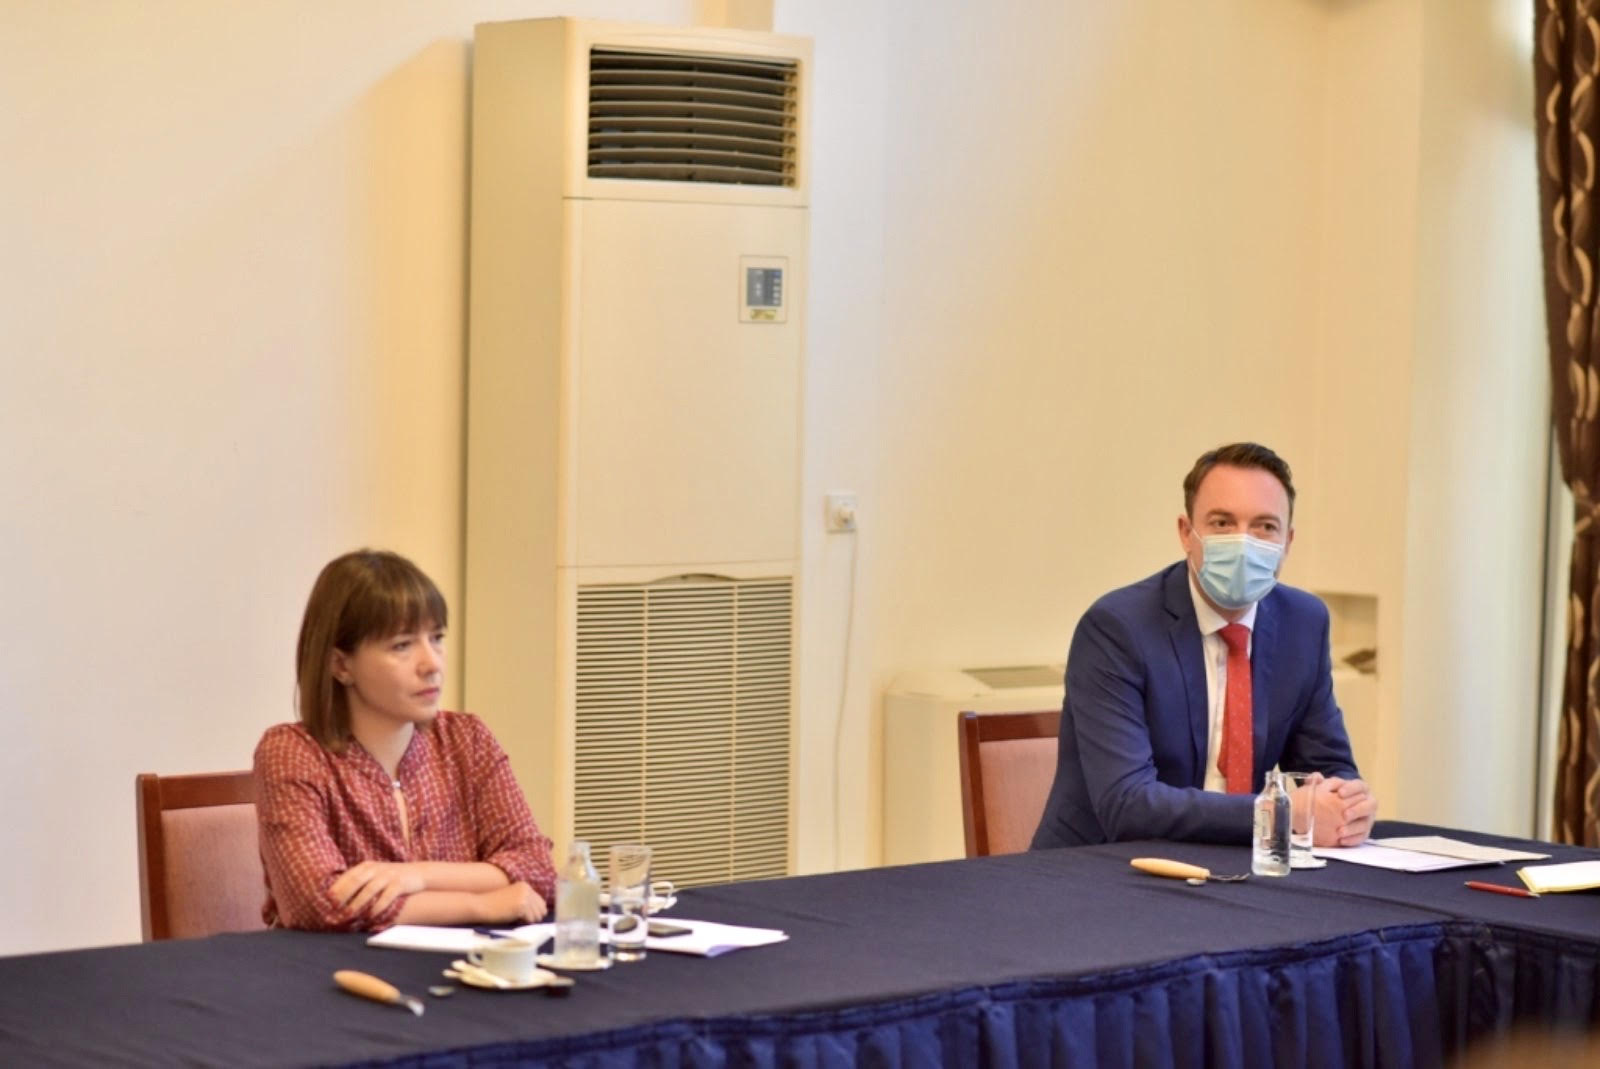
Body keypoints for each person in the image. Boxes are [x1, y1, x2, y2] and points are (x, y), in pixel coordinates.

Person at [1031, 443, 1378, 850]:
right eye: (1222, 523)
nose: (1243, 542)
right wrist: (1276, 813)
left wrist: (1348, 806)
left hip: (1238, 865)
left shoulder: (1303, 623)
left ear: (1287, 542)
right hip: (1103, 867)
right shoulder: (1118, 628)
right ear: (1186, 533)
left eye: (1265, 526)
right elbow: (1127, 804)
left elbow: (1329, 767)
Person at [254, 549, 556, 931]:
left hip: (462, 964)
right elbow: (315, 902)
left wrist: (417, 876)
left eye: (437, 638)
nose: (432, 664)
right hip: (335, 966)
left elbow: (538, 867)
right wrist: (480, 905)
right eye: (402, 645)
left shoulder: (467, 739)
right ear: (341, 665)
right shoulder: (292, 752)